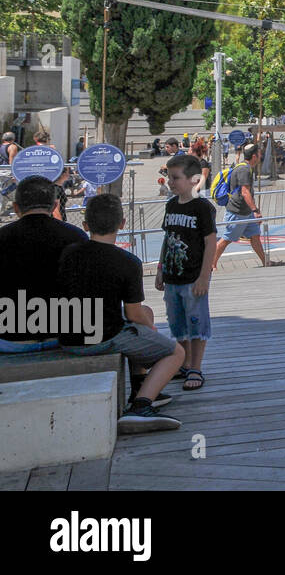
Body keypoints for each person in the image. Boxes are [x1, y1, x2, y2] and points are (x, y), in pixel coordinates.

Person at [58, 194, 185, 432]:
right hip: (102, 338)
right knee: (175, 352)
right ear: (122, 223)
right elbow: (134, 314)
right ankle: (140, 406)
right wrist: (152, 330)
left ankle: (140, 384)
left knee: (146, 315)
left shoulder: (69, 253)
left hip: (68, 336)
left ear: (85, 225)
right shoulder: (128, 262)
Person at [0, 176, 88, 353]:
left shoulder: (2, 237)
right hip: (64, 334)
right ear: (55, 205)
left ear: (16, 207)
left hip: (11, 337)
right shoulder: (76, 237)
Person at [157, 154, 218, 391]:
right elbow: (167, 238)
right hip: (172, 275)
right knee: (177, 321)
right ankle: (182, 361)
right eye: (169, 177)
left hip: (193, 276)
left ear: (193, 180)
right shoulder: (170, 205)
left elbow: (210, 242)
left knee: (196, 321)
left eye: (175, 178)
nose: (171, 182)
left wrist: (204, 276)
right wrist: (161, 268)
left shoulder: (202, 207)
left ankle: (196, 366)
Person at [212, 143, 277, 269]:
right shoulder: (244, 169)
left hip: (246, 212)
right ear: (254, 156)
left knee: (255, 236)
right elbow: (245, 192)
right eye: (259, 154)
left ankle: (265, 262)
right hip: (237, 212)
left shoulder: (246, 168)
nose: (261, 156)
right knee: (227, 238)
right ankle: (211, 264)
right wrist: (256, 210)